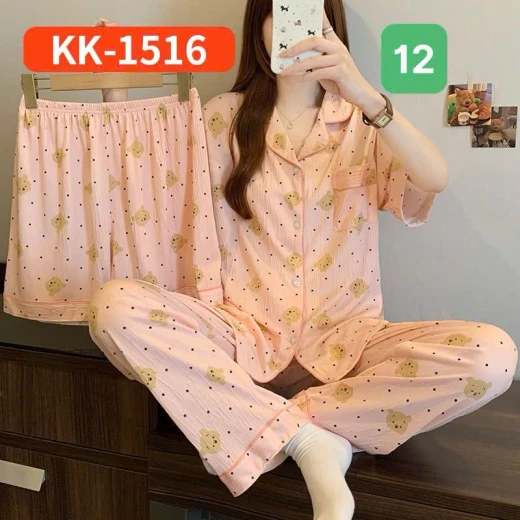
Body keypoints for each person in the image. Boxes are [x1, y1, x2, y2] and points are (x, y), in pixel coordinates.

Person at [91, 2, 518, 519]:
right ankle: (308, 440)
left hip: (348, 347)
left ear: (331, 25)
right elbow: (148, 199)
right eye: (282, 9)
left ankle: (276, 426)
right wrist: (115, 91)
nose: (295, 26)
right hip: (241, 340)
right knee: (112, 308)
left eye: (309, 10)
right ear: (259, 25)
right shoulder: (222, 117)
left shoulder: (363, 121)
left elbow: (433, 178)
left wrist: (363, 93)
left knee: (493, 355)